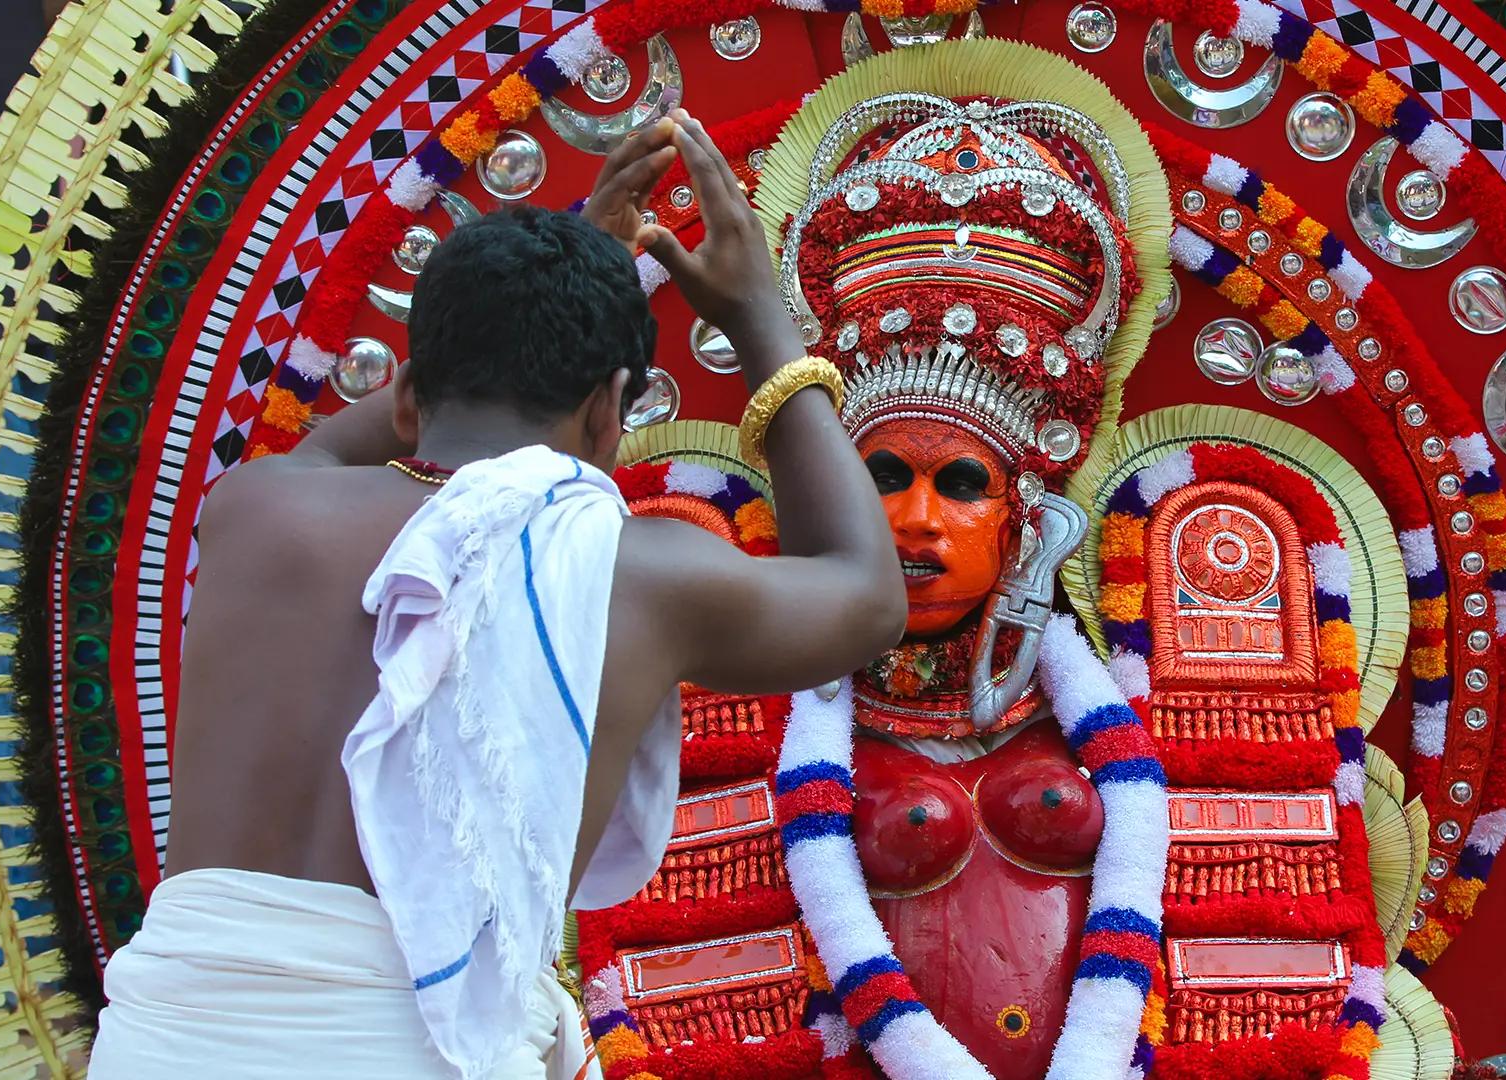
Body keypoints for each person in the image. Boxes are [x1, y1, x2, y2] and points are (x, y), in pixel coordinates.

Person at [84, 111, 905, 1078]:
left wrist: (549, 281)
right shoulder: (637, 574)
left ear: (406, 393)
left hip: (161, 1050)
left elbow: (378, 439)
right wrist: (761, 321)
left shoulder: (258, 508)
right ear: (611, 410)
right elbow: (866, 594)